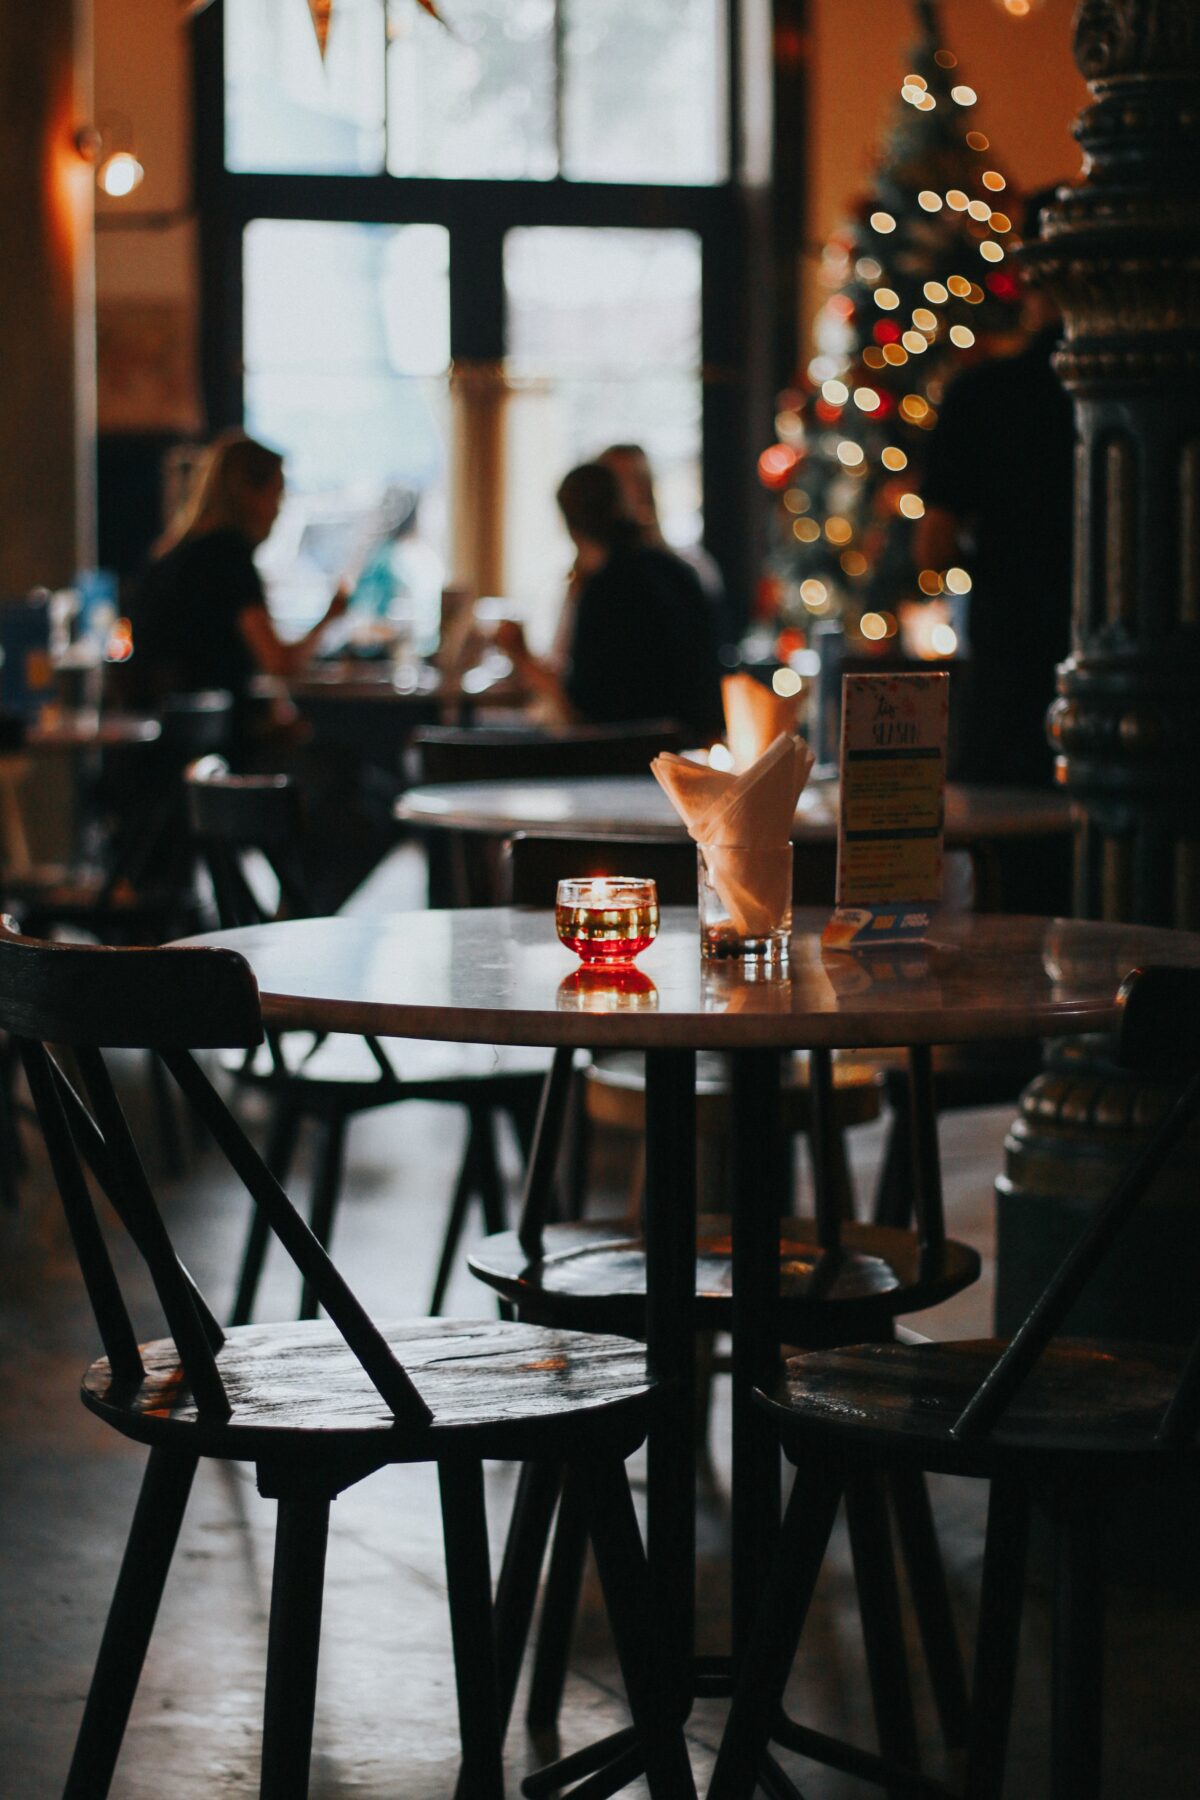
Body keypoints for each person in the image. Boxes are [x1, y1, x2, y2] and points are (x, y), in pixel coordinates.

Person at [915, 188, 1075, 792]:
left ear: (1024, 274)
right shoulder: (1154, 386)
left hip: (1013, 660)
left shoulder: (982, 394)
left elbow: (933, 547)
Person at [126, 431, 348, 753]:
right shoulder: (229, 557)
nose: (280, 509)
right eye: (277, 495)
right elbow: (279, 662)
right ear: (250, 495)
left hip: (166, 748)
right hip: (219, 748)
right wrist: (330, 616)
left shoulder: (168, 558)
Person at [500, 461, 724, 743]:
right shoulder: (678, 572)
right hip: (687, 749)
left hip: (619, 759)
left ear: (570, 526)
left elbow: (580, 708)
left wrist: (520, 655)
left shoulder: (603, 590)